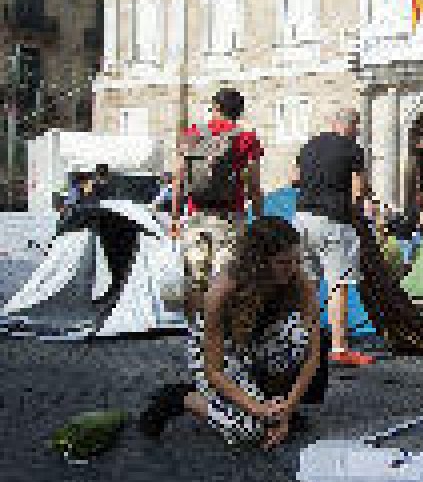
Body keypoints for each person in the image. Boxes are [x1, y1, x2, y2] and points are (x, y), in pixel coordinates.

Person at [138, 216, 324, 450]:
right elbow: (214, 370)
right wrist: (257, 409)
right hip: (217, 352)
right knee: (250, 431)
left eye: (297, 260)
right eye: (285, 263)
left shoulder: (300, 283)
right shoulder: (222, 290)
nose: (294, 269)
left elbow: (313, 356)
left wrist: (285, 408)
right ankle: (182, 398)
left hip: (255, 343)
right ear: (260, 262)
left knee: (299, 338)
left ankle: (270, 403)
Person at [172, 88, 265, 319]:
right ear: (240, 112)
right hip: (230, 217)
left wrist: (175, 217)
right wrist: (259, 218)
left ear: (215, 109)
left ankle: (195, 332)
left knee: (194, 278)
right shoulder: (246, 139)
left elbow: (178, 179)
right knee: (224, 279)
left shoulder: (193, 134)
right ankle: (219, 335)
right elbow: (253, 184)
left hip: (195, 215)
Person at [294, 108, 373, 367]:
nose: (358, 131)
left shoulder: (309, 146)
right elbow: (359, 189)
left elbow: (294, 179)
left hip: (302, 217)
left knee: (308, 284)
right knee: (339, 284)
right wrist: (351, 209)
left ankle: (302, 342)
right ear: (350, 126)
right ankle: (339, 347)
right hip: (334, 221)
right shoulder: (352, 149)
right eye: (357, 127)